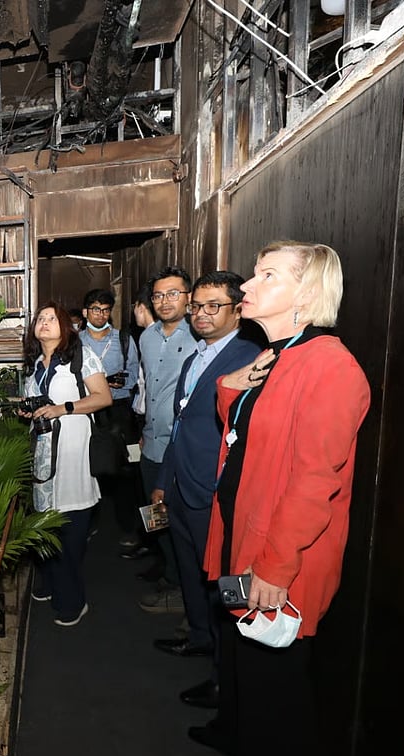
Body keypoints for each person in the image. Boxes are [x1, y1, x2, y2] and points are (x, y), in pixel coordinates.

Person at [193, 242, 370, 756]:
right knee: (252, 684)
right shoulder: (279, 355)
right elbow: (235, 418)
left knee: (278, 699)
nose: (247, 285)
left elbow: (316, 483)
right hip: (242, 540)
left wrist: (275, 567)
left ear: (307, 292)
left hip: (280, 563)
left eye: (267, 275)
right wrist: (241, 378)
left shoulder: (330, 366)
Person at [150, 273, 261, 710]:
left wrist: (220, 490)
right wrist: (162, 482)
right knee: (190, 572)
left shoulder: (249, 358)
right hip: (180, 486)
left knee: (219, 584)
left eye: (213, 306)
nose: (201, 314)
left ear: (238, 309)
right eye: (197, 305)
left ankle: (223, 678)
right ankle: (198, 637)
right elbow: (181, 425)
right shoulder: (196, 355)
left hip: (214, 494)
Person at [23, 301, 113, 626]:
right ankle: (51, 582)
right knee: (45, 528)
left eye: (52, 318)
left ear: (65, 327)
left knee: (70, 535)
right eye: (40, 318)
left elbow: (103, 397)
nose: (44, 322)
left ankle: (73, 600)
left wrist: (63, 408)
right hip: (44, 456)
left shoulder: (81, 357)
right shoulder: (35, 365)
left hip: (73, 454)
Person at [134, 268, 196, 614]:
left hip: (182, 449)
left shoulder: (200, 335)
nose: (164, 301)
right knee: (156, 515)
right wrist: (144, 430)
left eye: (173, 294)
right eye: (158, 295)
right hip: (152, 442)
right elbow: (149, 389)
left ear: (189, 297)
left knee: (182, 523)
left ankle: (181, 592)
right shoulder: (148, 337)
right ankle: (169, 571)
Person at [78, 288, 141, 545]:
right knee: (88, 467)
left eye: (105, 309)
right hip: (87, 411)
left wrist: (118, 385)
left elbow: (134, 374)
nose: (100, 314)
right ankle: (88, 525)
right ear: (85, 312)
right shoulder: (75, 340)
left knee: (125, 470)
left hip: (119, 410)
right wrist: (100, 383)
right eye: (95, 309)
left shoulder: (123, 339)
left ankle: (128, 528)